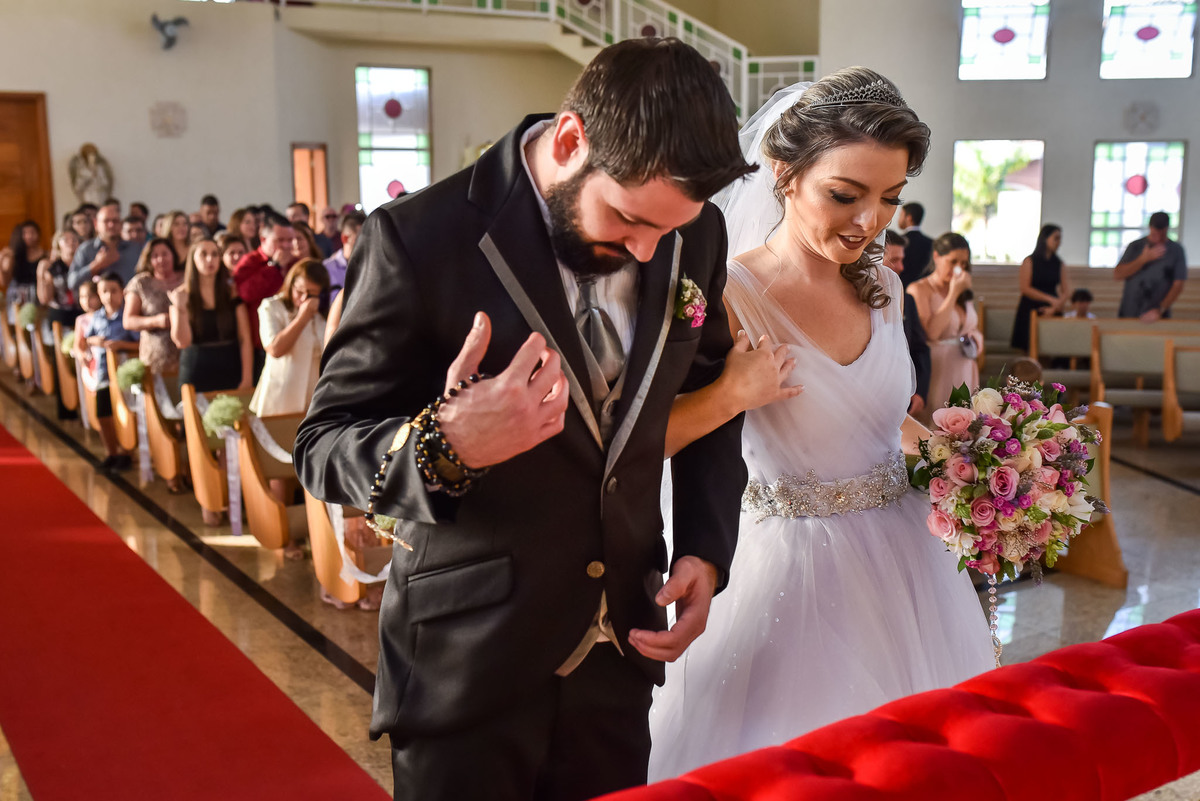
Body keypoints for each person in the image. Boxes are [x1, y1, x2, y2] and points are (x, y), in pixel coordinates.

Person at [295, 38, 752, 801]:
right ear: (571, 140)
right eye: (631, 219)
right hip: (468, 663)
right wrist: (445, 445)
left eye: (665, 233)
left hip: (620, 651)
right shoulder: (417, 237)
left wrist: (707, 545)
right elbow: (322, 445)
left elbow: (708, 390)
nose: (647, 249)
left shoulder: (691, 234)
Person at [646, 71, 994, 780]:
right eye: (846, 195)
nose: (870, 222)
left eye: (889, 200)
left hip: (907, 565)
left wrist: (966, 463)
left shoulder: (886, 287)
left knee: (919, 765)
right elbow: (645, 442)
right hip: (790, 572)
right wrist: (732, 393)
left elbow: (880, 416)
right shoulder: (728, 294)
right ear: (784, 172)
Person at [908, 232, 982, 421]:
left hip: (964, 364)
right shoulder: (919, 289)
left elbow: (970, 326)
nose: (959, 269)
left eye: (964, 264)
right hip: (938, 366)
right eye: (953, 262)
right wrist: (953, 292)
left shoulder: (964, 291)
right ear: (936, 257)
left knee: (964, 427)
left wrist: (976, 340)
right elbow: (931, 333)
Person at [170, 239, 253, 394]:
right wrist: (180, 308)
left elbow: (245, 339)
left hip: (230, 369)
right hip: (196, 372)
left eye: (215, 254)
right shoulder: (181, 295)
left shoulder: (232, 292)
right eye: (203, 254)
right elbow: (182, 342)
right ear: (192, 259)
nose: (210, 259)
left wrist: (247, 377)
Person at [249, 258, 328, 418]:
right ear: (291, 284)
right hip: (280, 398)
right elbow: (275, 349)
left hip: (312, 401)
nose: (304, 299)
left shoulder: (323, 315)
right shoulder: (271, 307)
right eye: (300, 292)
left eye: (311, 294)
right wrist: (303, 317)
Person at [85, 271, 139, 470]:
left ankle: (126, 452)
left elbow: (140, 344)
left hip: (122, 376)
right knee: (104, 414)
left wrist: (121, 345)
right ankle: (111, 452)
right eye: (104, 291)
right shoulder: (98, 316)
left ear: (122, 292)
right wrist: (94, 341)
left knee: (123, 415)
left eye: (113, 291)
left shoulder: (127, 315)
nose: (109, 296)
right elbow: (87, 338)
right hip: (102, 373)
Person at [233, 213, 297, 380]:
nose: (286, 246)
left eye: (290, 240)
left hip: (293, 341)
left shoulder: (295, 263)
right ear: (263, 239)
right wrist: (274, 267)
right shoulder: (250, 261)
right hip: (260, 346)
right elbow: (244, 294)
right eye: (280, 240)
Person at [883, 229, 930, 415]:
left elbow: (920, 348)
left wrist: (920, 391)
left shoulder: (906, 299)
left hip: (904, 399)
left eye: (902, 259)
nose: (901, 267)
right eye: (895, 260)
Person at [124, 237, 184, 382]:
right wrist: (156, 321)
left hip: (185, 354)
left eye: (165, 254)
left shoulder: (186, 278)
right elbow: (128, 321)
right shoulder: (140, 283)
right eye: (155, 256)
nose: (161, 259)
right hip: (155, 358)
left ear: (173, 255)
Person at [1115, 211, 1187, 321]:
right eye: (1154, 234)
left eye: (1161, 235)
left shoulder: (1176, 250)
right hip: (1130, 311)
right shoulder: (1135, 246)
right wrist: (1143, 259)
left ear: (1167, 229)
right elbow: (1117, 275)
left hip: (1158, 315)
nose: (1158, 238)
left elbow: (1178, 284)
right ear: (1150, 228)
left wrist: (1160, 309)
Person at [1011, 224, 1071, 352]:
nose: (1059, 242)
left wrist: (1055, 307)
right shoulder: (1029, 261)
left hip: (1052, 308)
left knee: (1051, 346)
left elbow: (1066, 291)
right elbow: (1025, 288)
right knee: (1028, 347)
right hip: (1030, 306)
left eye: (1060, 239)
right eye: (1056, 238)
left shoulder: (1059, 264)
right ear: (1045, 239)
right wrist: (1050, 299)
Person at [69, 200, 142, 290]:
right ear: (96, 224)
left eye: (115, 221)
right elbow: (72, 283)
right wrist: (96, 265)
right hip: (96, 303)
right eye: (106, 221)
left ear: (121, 224)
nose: (111, 225)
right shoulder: (86, 249)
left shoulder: (135, 249)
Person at [0, 220, 47, 311]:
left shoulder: (45, 255)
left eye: (32, 232)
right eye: (25, 233)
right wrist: (1, 261)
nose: (29, 236)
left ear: (38, 234)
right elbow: (4, 282)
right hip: (16, 298)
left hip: (37, 297)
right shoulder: (13, 255)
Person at [322, 209, 366, 301]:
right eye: (361, 239)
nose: (367, 243)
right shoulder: (327, 268)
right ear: (345, 238)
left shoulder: (371, 266)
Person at [897, 201, 931, 287]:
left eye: (901, 215)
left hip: (901, 289)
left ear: (909, 218)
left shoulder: (898, 243)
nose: (899, 219)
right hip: (924, 290)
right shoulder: (931, 243)